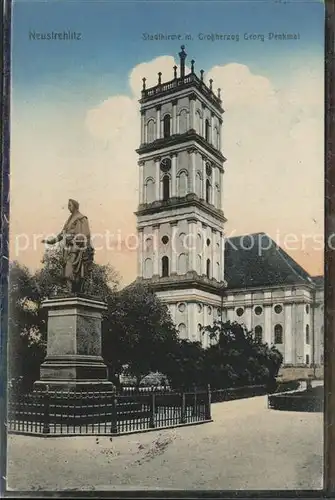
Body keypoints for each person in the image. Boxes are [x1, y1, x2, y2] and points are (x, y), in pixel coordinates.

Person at [41, 199, 94, 293]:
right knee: (67, 266)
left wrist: (75, 239)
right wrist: (50, 241)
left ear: (75, 206)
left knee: (70, 266)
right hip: (68, 248)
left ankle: (69, 288)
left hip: (77, 248)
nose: (68, 207)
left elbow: (86, 234)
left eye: (70, 205)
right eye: (68, 205)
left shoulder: (81, 218)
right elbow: (61, 234)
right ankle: (69, 288)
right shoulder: (69, 220)